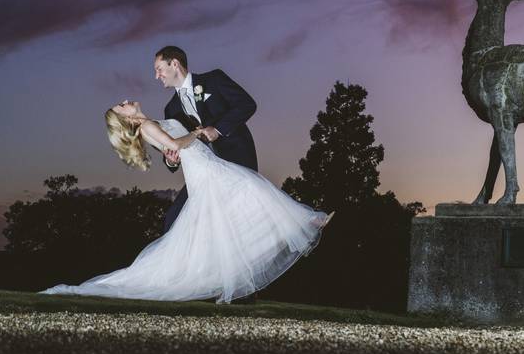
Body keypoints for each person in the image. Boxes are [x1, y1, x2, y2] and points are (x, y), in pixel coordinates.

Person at [41, 100, 332, 303]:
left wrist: (178, 148)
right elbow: (177, 146)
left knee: (234, 215)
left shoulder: (150, 124)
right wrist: (196, 132)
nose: (127, 101)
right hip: (206, 172)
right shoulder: (145, 127)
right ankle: (305, 222)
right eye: (122, 105)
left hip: (207, 168)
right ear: (126, 119)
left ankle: (294, 229)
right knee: (252, 191)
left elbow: (173, 151)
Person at [152, 45, 258, 233]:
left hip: (235, 158)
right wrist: (170, 161)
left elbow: (247, 104)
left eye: (159, 69)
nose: (157, 76)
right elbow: (174, 145)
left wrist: (218, 129)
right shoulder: (171, 110)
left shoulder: (213, 80)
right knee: (174, 219)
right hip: (204, 170)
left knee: (248, 215)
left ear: (174, 64)